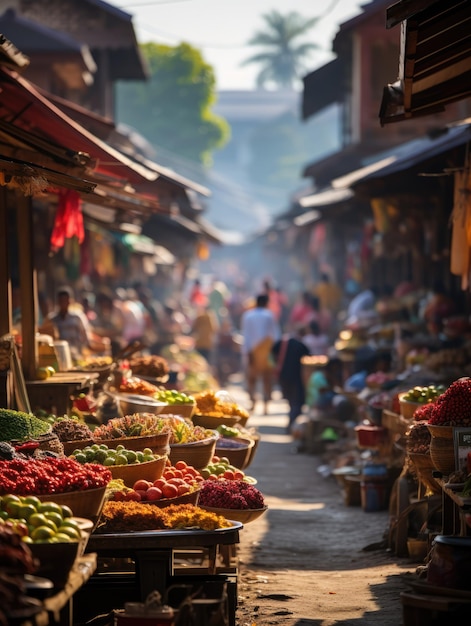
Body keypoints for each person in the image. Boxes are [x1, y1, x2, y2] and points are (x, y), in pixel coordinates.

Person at [240, 293, 280, 414]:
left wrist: (246, 352)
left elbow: (245, 335)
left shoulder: (248, 316)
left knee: (252, 378)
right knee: (267, 378)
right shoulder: (269, 315)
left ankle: (253, 401)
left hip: (252, 351)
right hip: (267, 352)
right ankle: (265, 405)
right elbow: (275, 335)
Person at [272, 329, 310, 433]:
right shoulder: (302, 346)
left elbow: (272, 353)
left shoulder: (282, 343)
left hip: (283, 376)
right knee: (297, 401)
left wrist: (276, 364)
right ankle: (293, 425)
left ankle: (292, 424)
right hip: (297, 377)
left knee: (290, 400)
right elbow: (308, 359)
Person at [47, 286, 94, 359]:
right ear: (58, 302)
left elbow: (85, 336)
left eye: (65, 300)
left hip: (76, 356)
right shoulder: (52, 319)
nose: (64, 303)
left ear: (70, 301)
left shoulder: (77, 317)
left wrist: (86, 349)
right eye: (61, 301)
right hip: (58, 357)